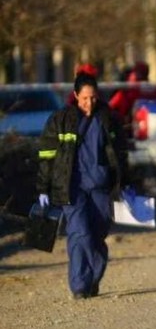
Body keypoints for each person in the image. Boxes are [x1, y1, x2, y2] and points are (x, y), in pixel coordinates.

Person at [37, 72, 131, 300]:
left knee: (97, 235)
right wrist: (43, 187)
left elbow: (120, 155)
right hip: (71, 188)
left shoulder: (108, 119)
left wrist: (126, 184)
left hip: (100, 187)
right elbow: (47, 155)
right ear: (75, 95)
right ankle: (79, 286)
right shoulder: (60, 120)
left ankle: (93, 278)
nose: (89, 103)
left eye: (93, 98)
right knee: (80, 233)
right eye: (85, 98)